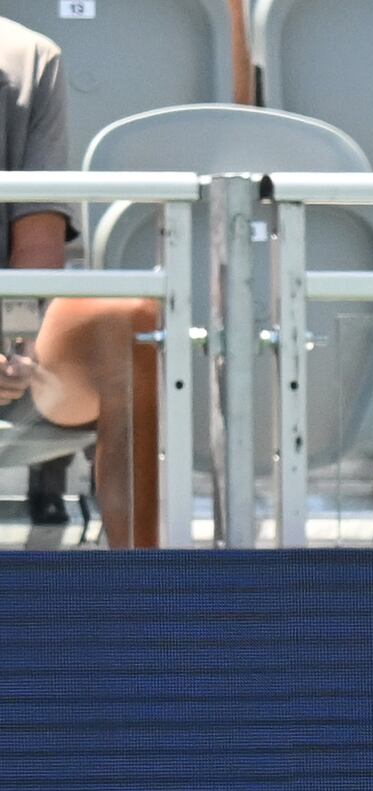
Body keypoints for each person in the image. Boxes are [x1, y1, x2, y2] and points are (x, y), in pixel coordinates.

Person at [0, 22, 149, 546]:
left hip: (3, 352)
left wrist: (10, 345)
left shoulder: (29, 57)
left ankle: (143, 597)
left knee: (126, 324)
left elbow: (37, 241)